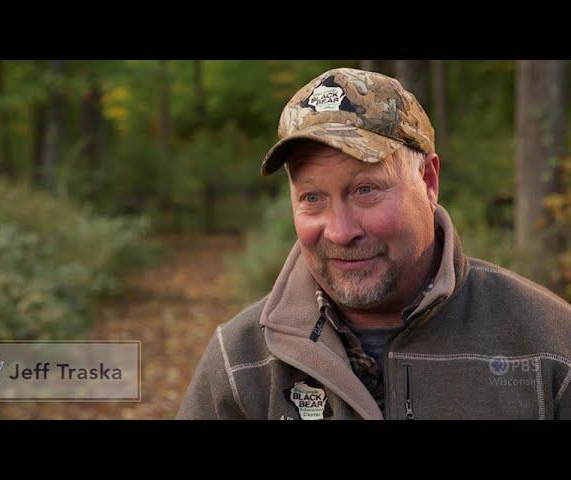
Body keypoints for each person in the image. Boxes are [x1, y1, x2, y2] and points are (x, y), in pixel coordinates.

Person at [176, 68, 571, 420]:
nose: (340, 231)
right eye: (312, 198)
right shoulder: (241, 363)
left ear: (429, 181)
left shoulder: (550, 347)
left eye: (366, 189)